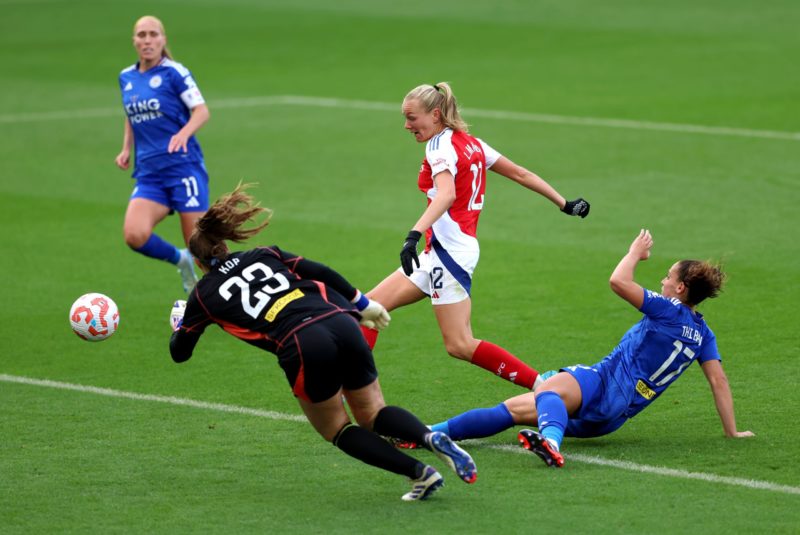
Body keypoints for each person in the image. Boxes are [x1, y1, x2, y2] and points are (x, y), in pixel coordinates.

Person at [169, 184, 478, 500]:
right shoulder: (263, 253)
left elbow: (180, 353)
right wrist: (361, 303)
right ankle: (429, 438)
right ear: (224, 244)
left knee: (337, 429)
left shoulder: (202, 296)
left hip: (301, 343)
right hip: (340, 321)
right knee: (373, 413)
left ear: (199, 262)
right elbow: (317, 270)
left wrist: (180, 326)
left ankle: (421, 474)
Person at [427, 230, 754, 467]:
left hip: (605, 381)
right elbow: (718, 381)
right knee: (512, 410)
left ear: (680, 288)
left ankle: (552, 444)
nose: (663, 282)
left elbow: (618, 281)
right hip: (613, 416)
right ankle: (426, 434)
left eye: (668, 277)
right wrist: (732, 431)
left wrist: (634, 253)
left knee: (548, 390)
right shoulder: (703, 334)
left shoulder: (668, 309)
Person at [361, 82, 590, 390]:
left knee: (459, 344)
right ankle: (355, 389)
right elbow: (521, 173)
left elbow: (445, 195)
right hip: (440, 252)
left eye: (412, 117)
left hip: (450, 254)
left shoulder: (439, 146)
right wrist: (565, 203)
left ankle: (543, 386)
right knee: (369, 308)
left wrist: (413, 234)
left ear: (436, 114)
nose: (407, 125)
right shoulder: (473, 143)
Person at [115, 15, 211, 293]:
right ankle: (180, 260)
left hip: (183, 169)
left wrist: (184, 133)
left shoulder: (175, 73)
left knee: (203, 249)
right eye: (142, 35)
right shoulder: (127, 77)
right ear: (134, 40)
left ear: (163, 39)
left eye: (153, 34)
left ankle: (225, 301)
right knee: (134, 235)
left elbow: (202, 111)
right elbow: (130, 114)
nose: (147, 40)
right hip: (149, 173)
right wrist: (126, 148)